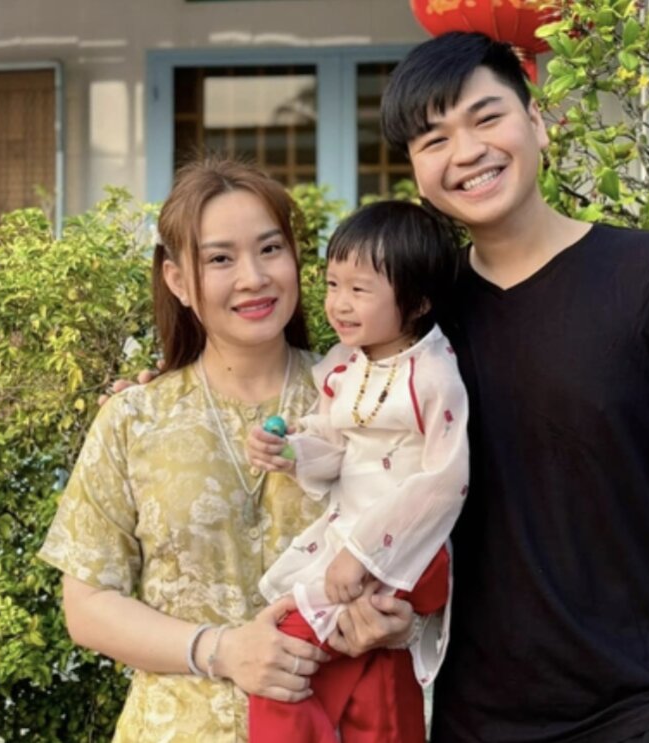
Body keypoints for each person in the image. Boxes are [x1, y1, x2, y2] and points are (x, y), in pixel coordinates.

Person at [371, 31, 649, 743]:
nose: (466, 152)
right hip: (467, 720)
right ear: (417, 172)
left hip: (637, 715)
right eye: (434, 139)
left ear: (537, 121)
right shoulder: (419, 317)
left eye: (486, 117)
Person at [38, 158, 418, 742]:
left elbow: (427, 548)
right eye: (220, 259)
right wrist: (219, 649)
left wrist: (399, 622)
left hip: (337, 724)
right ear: (177, 280)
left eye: (270, 249)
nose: (253, 277)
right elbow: (86, 604)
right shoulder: (134, 419)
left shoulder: (372, 401)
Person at [245, 200, 469, 742]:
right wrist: (292, 453)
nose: (338, 304)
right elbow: (333, 445)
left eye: (359, 290)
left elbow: (446, 481)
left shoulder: (434, 375)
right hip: (352, 539)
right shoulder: (347, 366)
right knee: (369, 685)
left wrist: (364, 552)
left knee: (288, 653)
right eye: (332, 285)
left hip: (403, 548)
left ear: (417, 301)